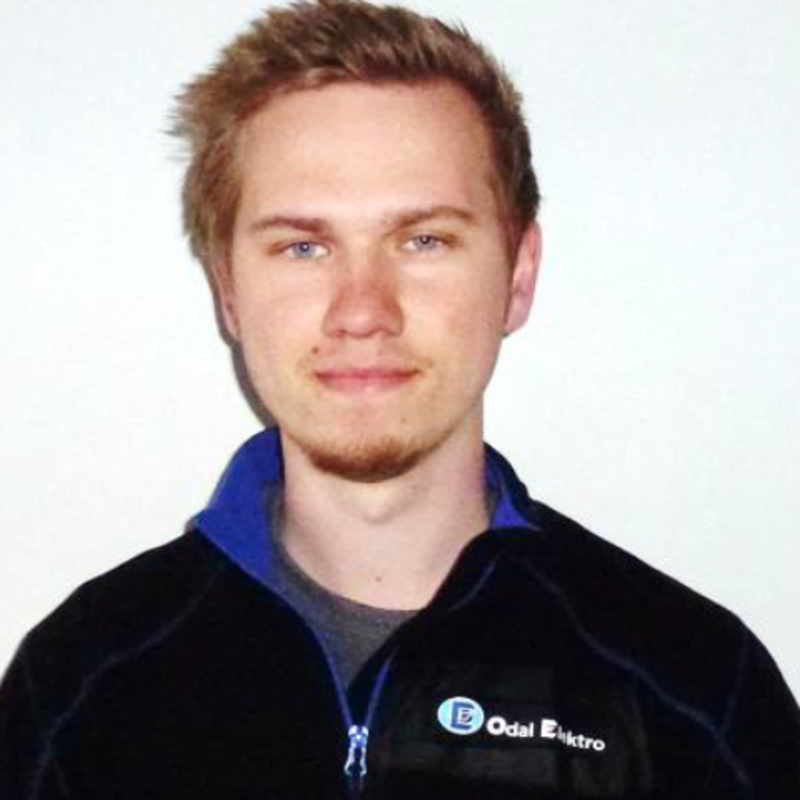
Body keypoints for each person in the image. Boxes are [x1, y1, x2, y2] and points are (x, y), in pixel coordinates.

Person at [0, 0, 797, 796]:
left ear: (519, 276)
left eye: (423, 240)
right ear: (228, 291)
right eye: (303, 247)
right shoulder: (79, 688)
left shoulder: (695, 689)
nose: (362, 311)